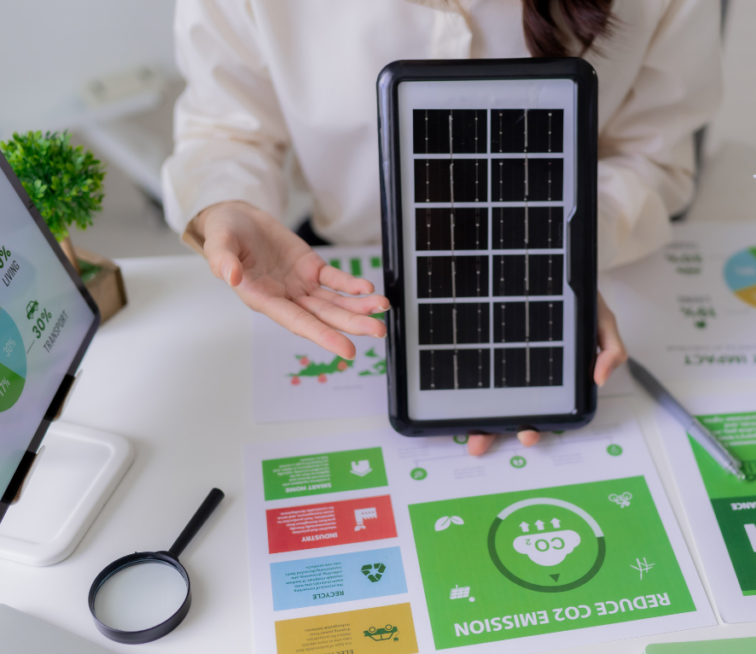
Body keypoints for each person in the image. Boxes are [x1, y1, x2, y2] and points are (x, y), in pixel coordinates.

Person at [161, 0, 723, 454]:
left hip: (558, 248)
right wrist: (224, 204)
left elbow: (653, 155)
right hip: (349, 260)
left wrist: (557, 255)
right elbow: (225, 127)